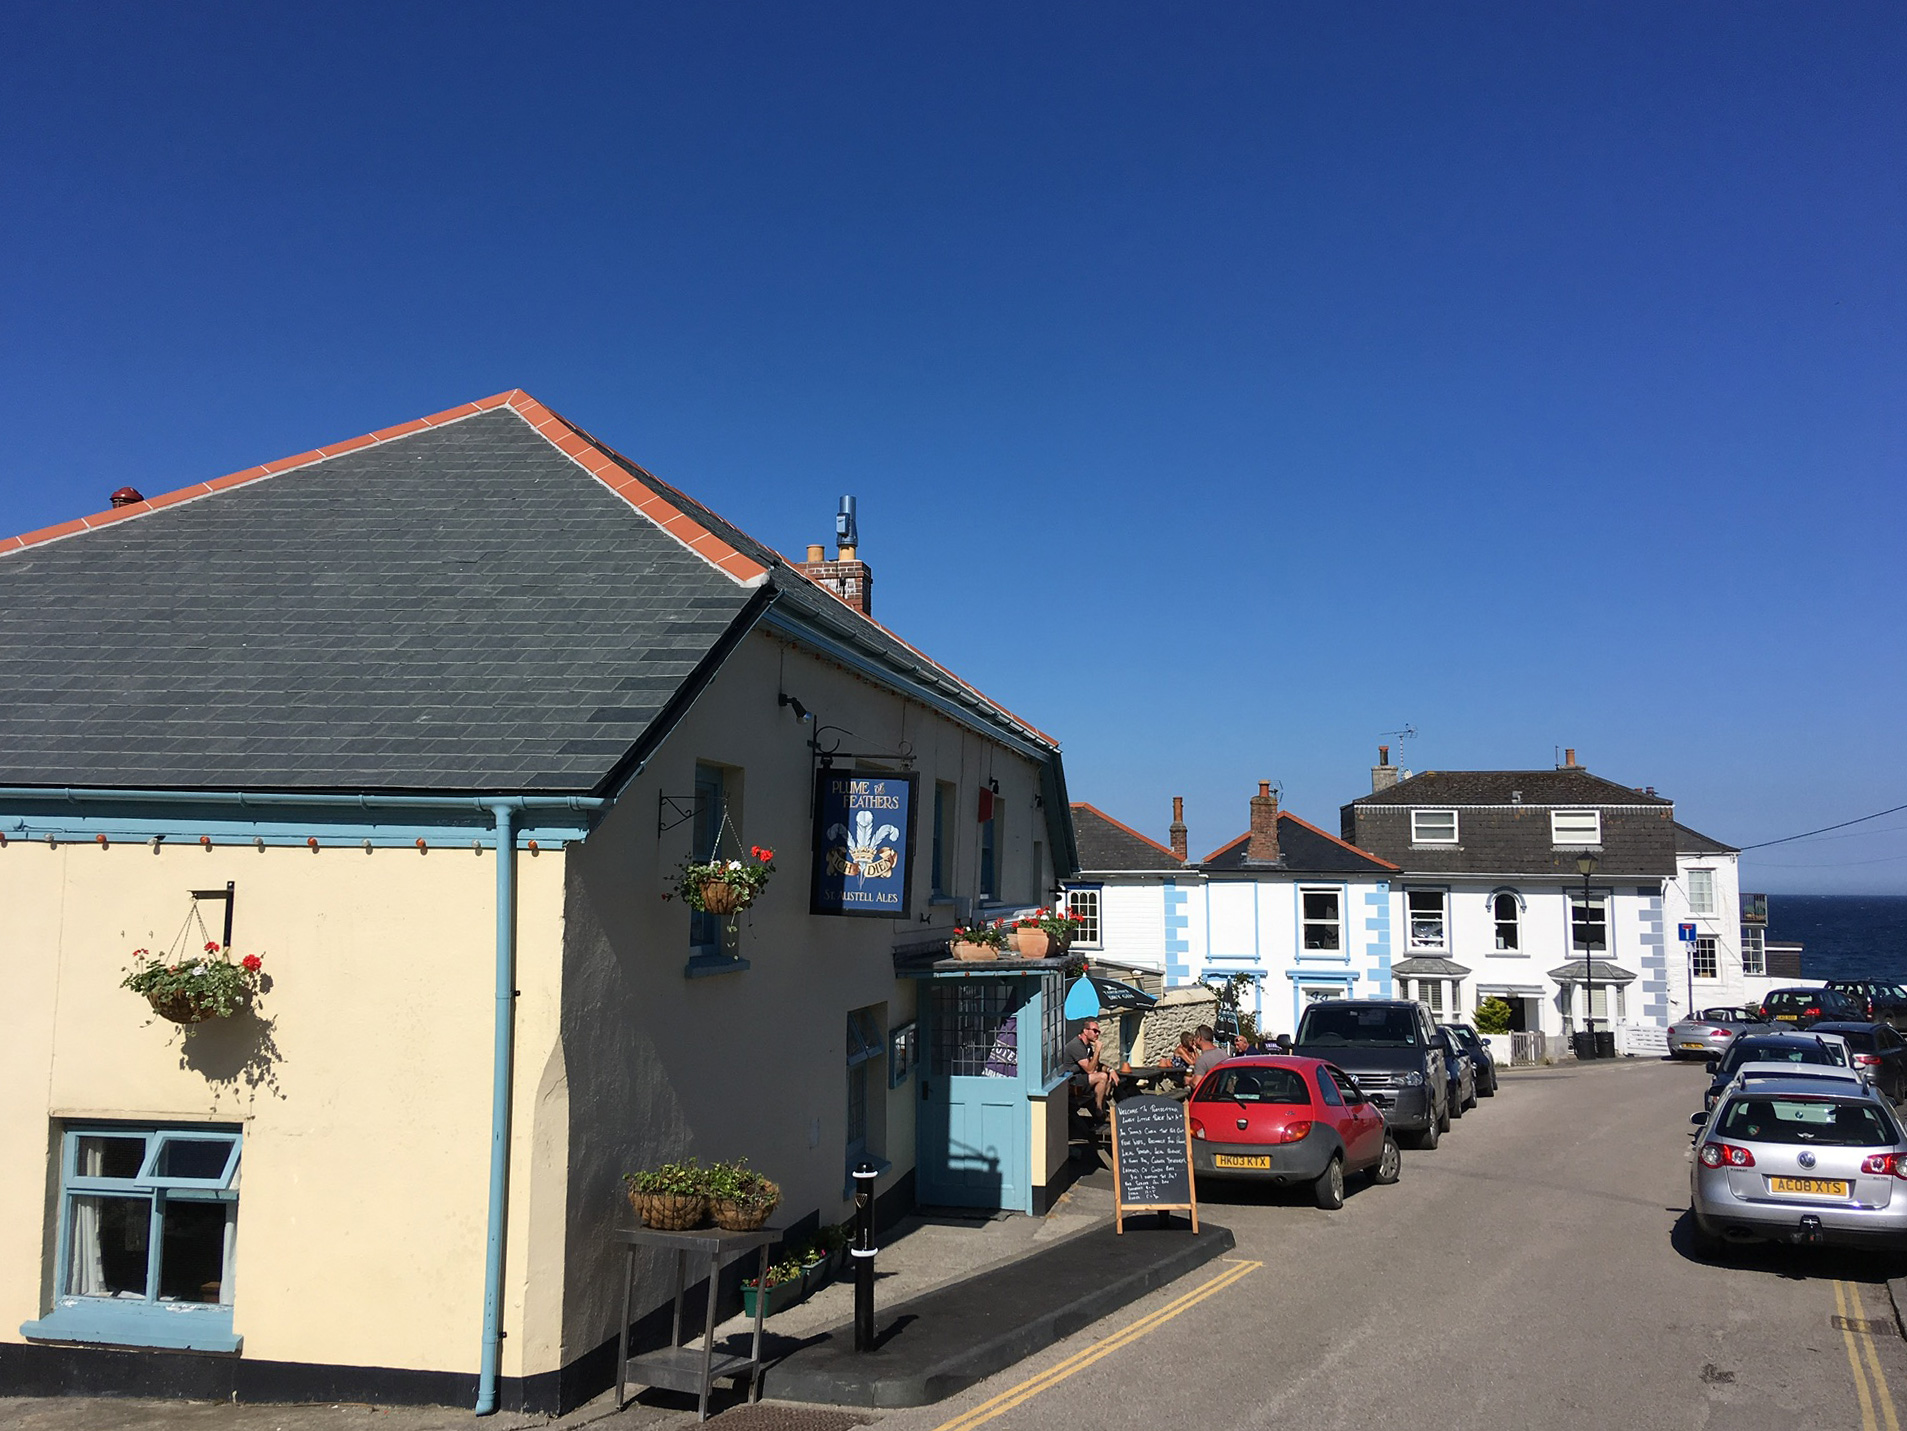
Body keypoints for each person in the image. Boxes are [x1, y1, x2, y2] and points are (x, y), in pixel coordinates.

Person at [1062, 1020, 1119, 1115]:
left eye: (1098, 1032)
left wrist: (1111, 1070)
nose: (1097, 1034)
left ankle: (1103, 1108)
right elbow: (1090, 1069)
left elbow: (1096, 1064)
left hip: (1081, 1076)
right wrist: (1097, 1050)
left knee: (1107, 1075)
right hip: (1071, 1080)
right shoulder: (1076, 1045)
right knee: (1102, 1077)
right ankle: (1099, 1110)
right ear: (1085, 1031)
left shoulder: (1087, 1045)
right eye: (1095, 1031)